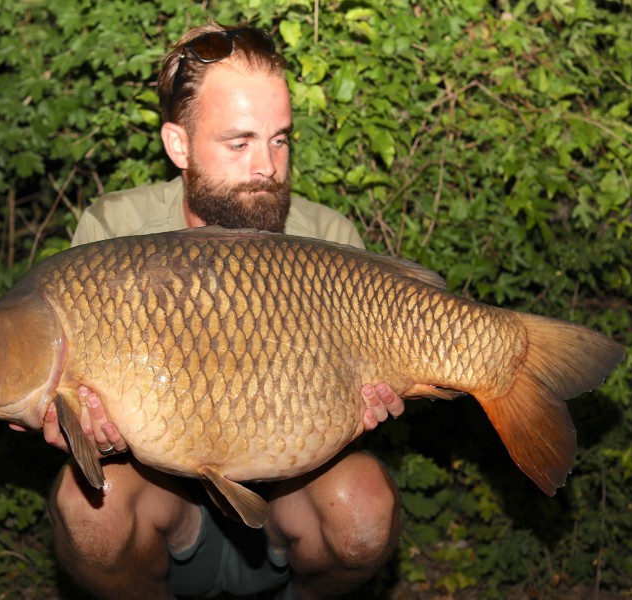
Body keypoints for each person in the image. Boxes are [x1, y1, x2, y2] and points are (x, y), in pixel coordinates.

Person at [40, 23, 405, 600]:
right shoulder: (111, 235)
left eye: (280, 139)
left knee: (362, 515)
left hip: (290, 497)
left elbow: (352, 406)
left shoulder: (325, 238)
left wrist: (359, 403)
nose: (266, 166)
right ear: (178, 145)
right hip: (167, 500)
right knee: (89, 512)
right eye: (239, 143)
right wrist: (82, 429)